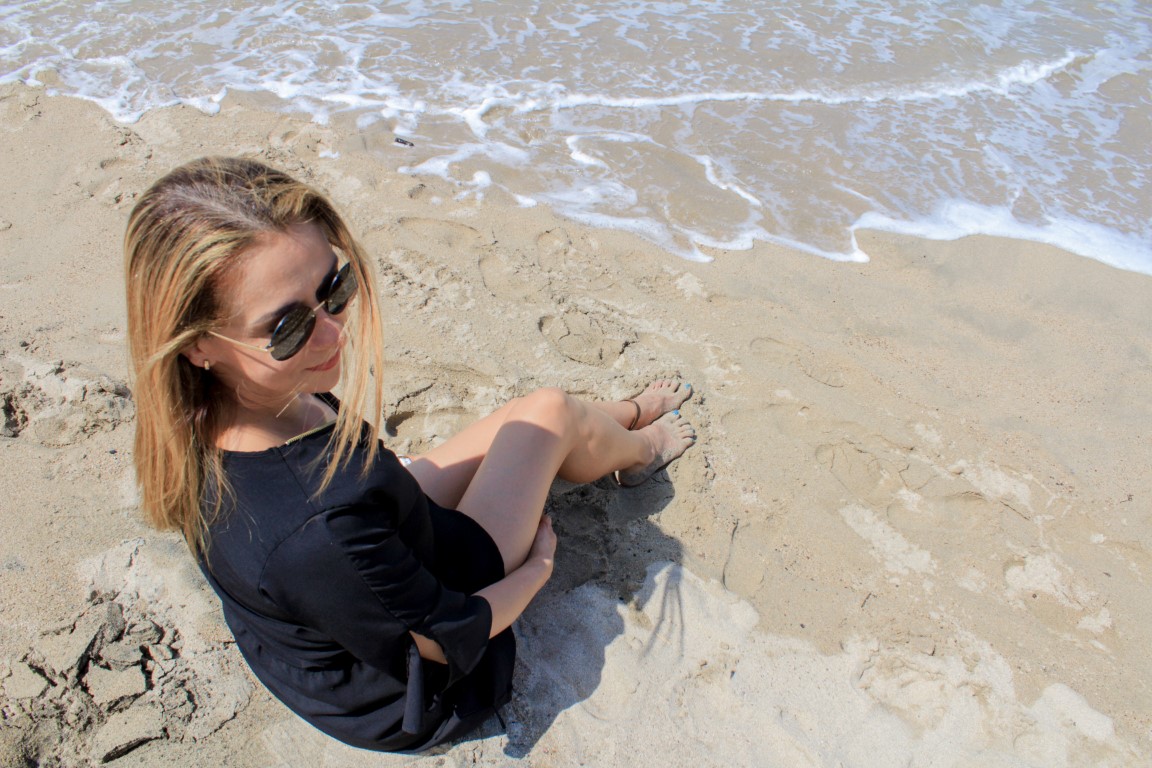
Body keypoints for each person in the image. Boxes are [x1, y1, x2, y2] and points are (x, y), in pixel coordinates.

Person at [123, 156, 696, 753]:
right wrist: (537, 572)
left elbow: (337, 537)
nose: (334, 333)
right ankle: (639, 450)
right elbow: (441, 639)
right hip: (416, 685)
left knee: (543, 415)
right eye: (287, 328)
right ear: (197, 347)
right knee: (549, 413)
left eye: (334, 288)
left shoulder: (215, 405)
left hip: (363, 567)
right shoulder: (313, 529)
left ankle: (621, 415)